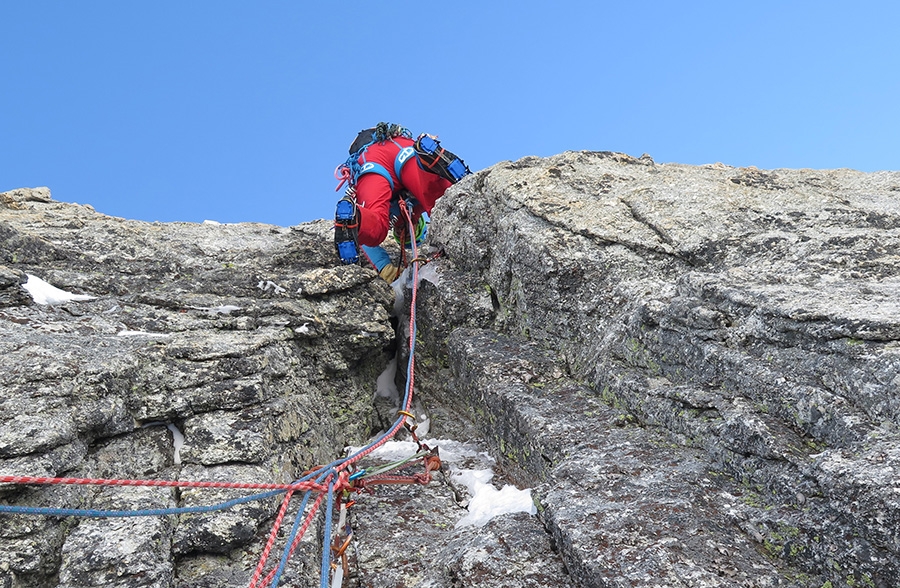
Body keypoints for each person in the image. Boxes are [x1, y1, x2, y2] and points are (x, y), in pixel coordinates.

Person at [333, 122, 470, 282]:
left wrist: (386, 269)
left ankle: (356, 217)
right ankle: (428, 160)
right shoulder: (414, 207)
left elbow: (367, 242)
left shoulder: (397, 212)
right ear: (417, 224)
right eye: (406, 236)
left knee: (374, 221)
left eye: (400, 236)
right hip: (401, 147)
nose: (401, 232)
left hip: (371, 161)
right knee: (437, 199)